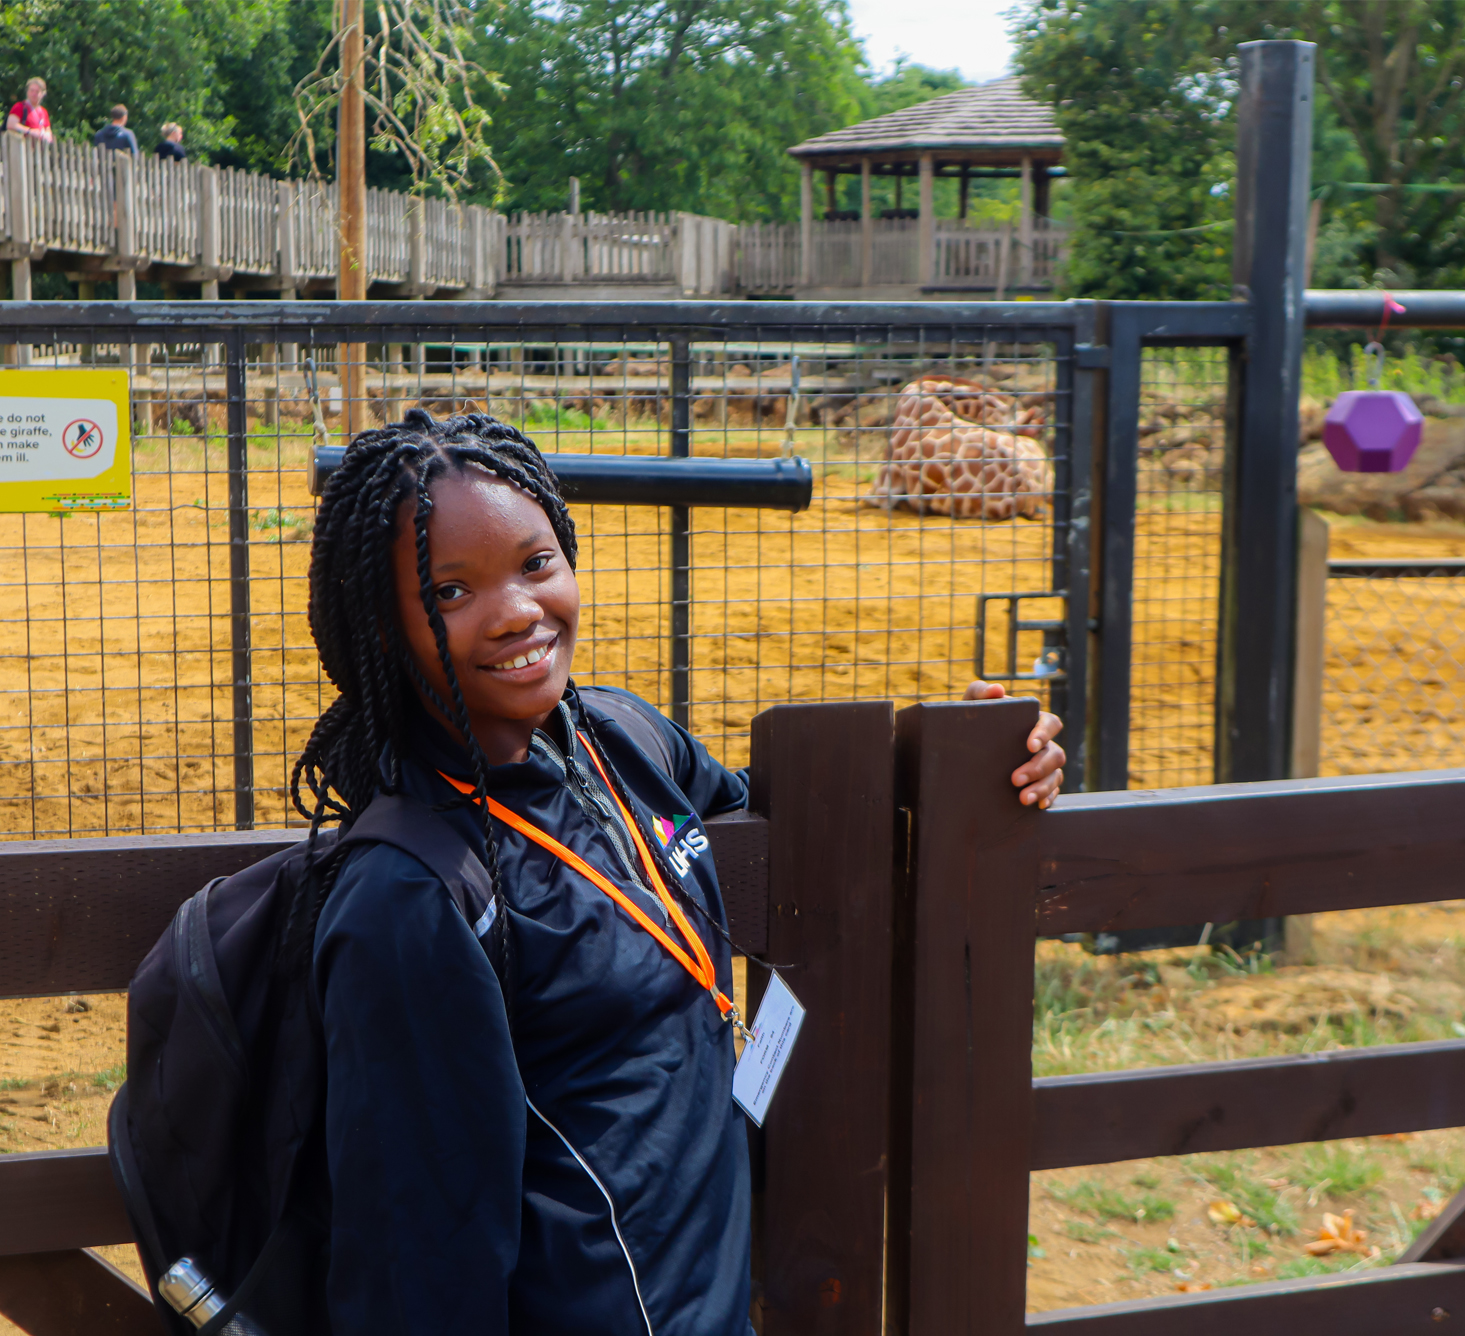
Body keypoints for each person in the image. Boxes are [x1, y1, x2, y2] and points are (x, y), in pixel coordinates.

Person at [298, 410, 1065, 1335]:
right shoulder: (411, 896)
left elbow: (799, 826)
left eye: (536, 563)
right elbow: (415, 1266)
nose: (516, 611)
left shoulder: (620, 738)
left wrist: (976, 765)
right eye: (451, 590)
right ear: (383, 628)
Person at [6, 77, 52, 143]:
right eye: (32, 90)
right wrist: (30, 131)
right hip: (22, 146)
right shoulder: (19, 107)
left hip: (39, 147)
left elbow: (48, 130)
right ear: (27, 92)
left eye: (37, 91)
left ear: (43, 94)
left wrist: (47, 135)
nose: (34, 94)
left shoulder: (44, 112)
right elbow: (11, 125)